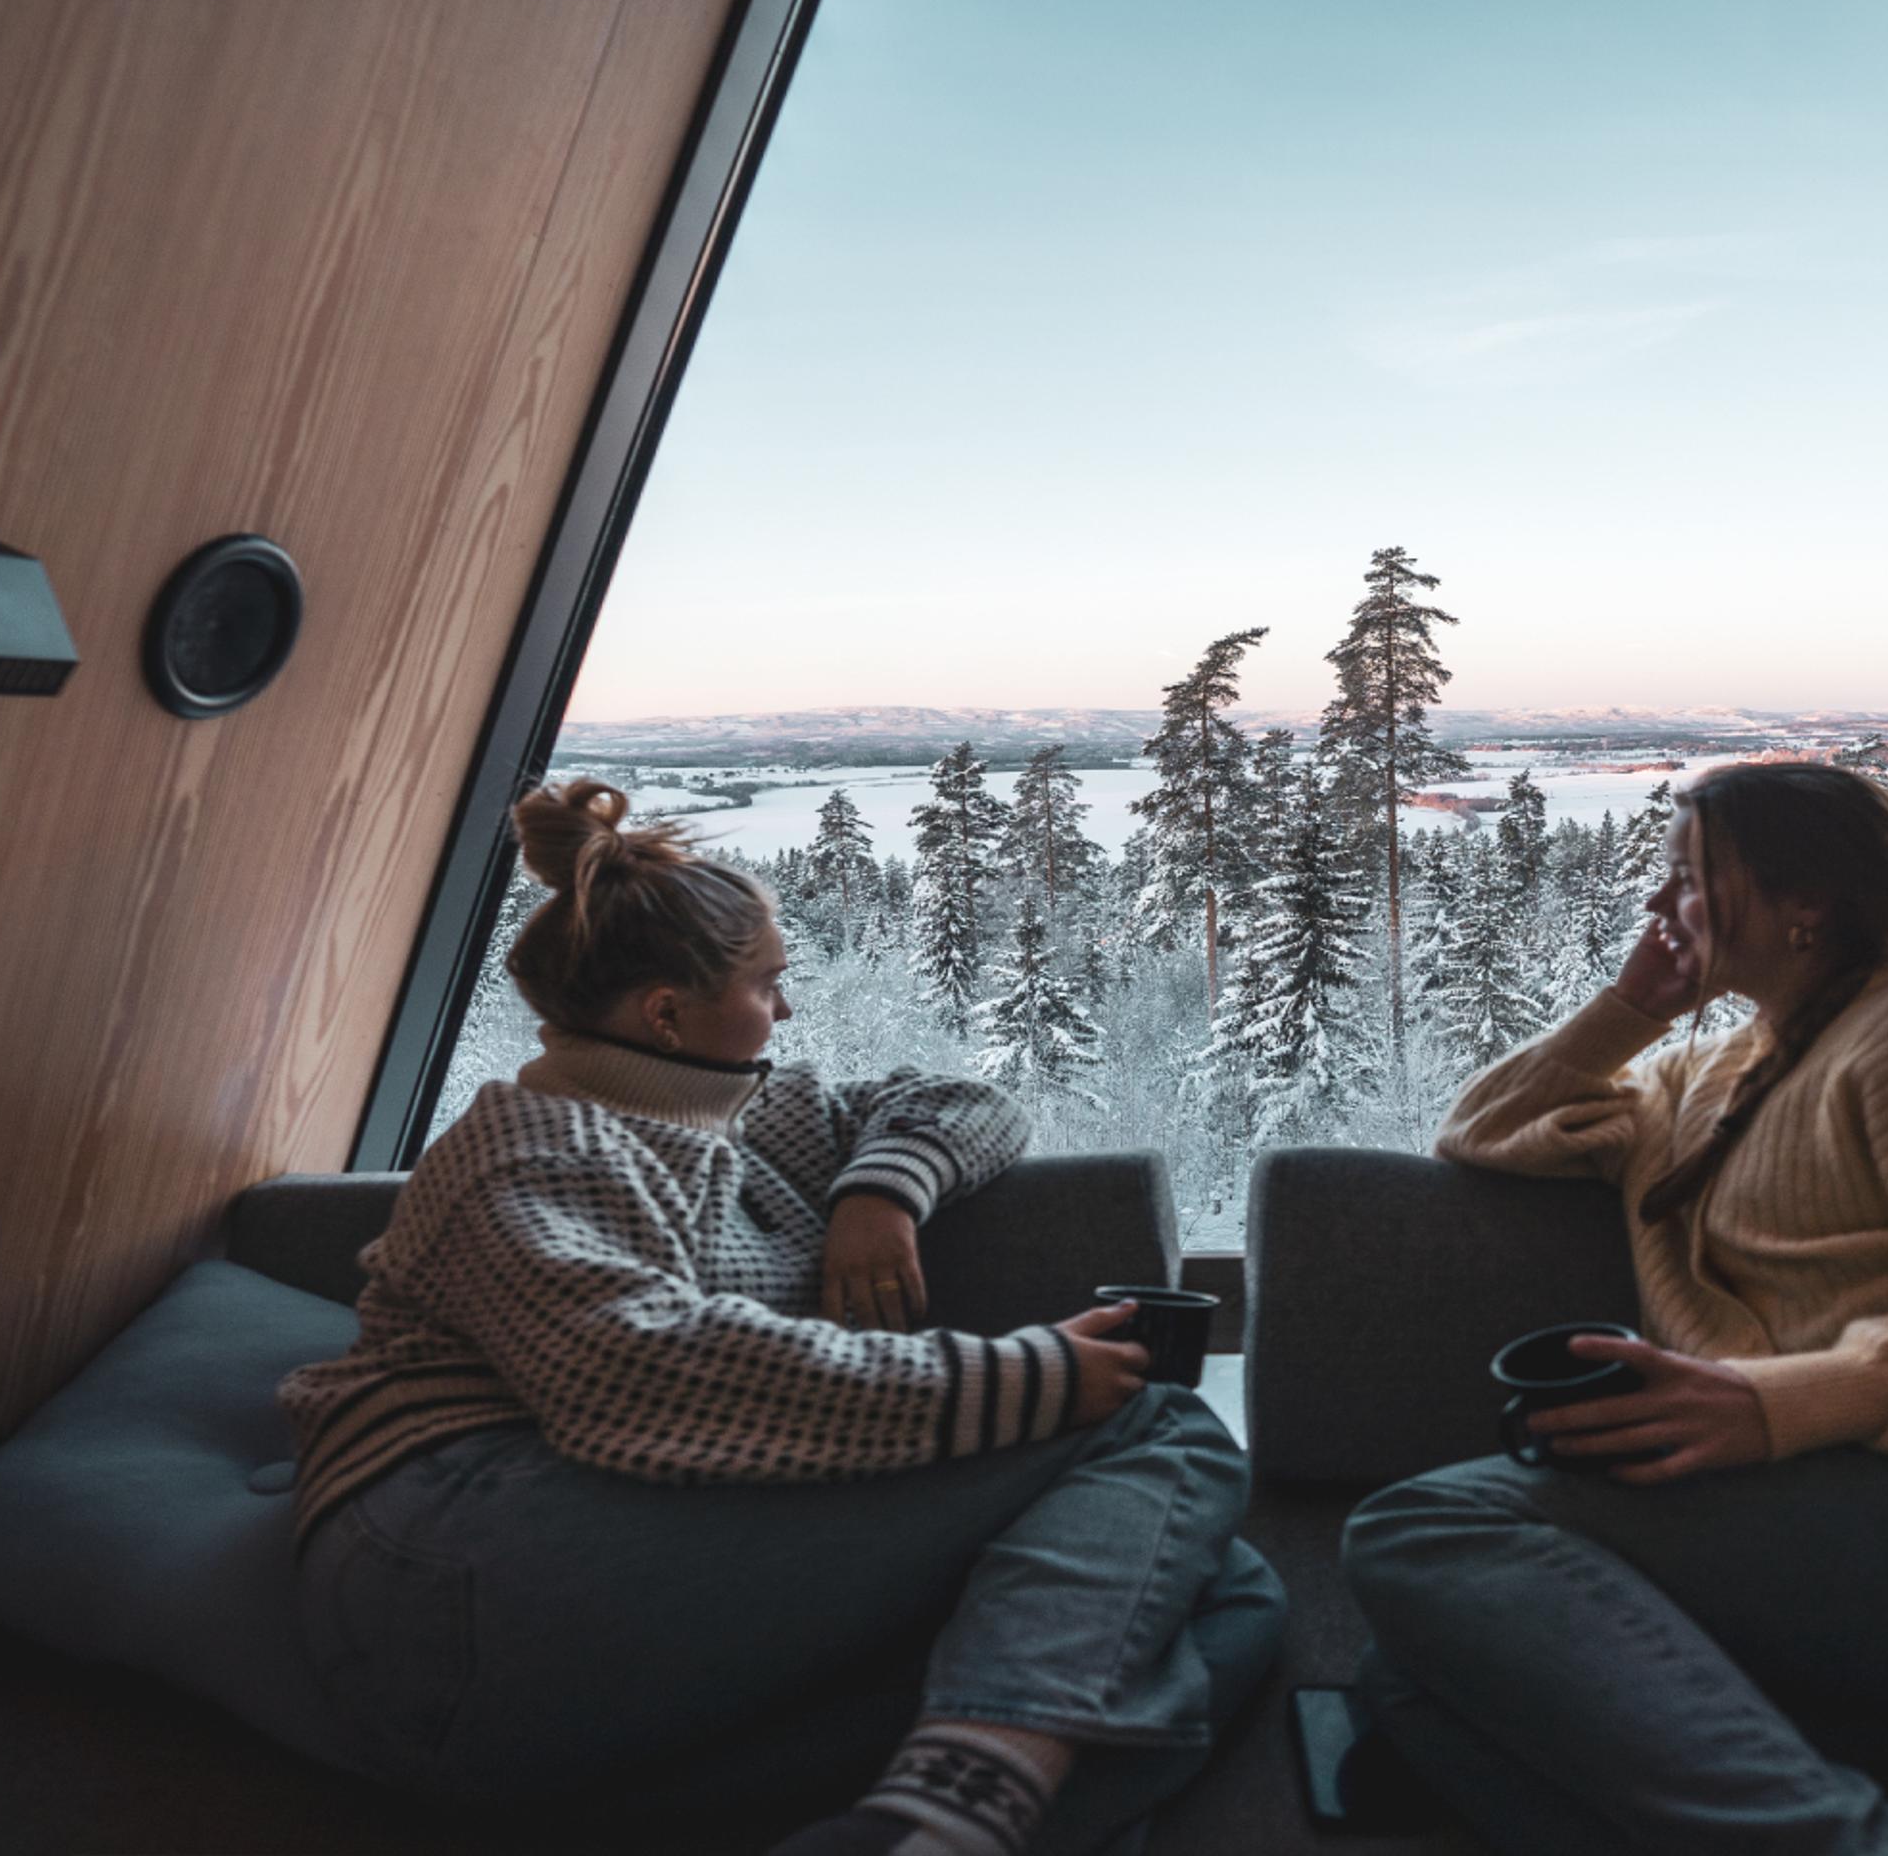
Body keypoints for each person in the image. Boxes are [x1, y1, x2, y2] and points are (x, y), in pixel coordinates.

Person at [280, 780, 1280, 1856]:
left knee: (1230, 1598)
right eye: (768, 984)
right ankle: (967, 1808)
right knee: (1153, 1431)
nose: (787, 1011)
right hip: (458, 1566)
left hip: (625, 1562)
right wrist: (1029, 1379)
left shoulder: (758, 1118)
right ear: (666, 1011)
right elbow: (637, 1378)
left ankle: (916, 1820)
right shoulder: (530, 1152)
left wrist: (879, 1193)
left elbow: (970, 1102)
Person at [1340, 761, 1888, 1855]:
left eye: (1688, 879)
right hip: (1881, 1521)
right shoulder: (1707, 1076)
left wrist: (1781, 1404)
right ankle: (1835, 1771)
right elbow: (1481, 1130)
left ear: (1805, 901)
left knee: (1425, 1530)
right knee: (1419, 1687)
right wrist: (1628, 1009)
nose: (1657, 906)